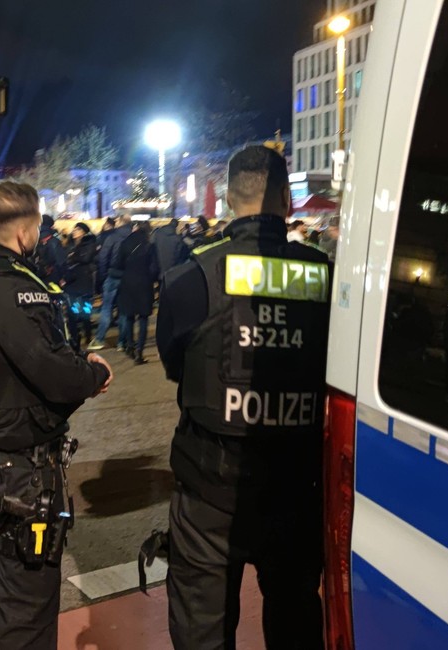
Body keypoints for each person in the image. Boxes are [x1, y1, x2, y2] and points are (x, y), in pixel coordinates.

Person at [155, 146, 331, 650]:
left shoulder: (190, 276)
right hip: (296, 486)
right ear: (287, 198)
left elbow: (176, 368)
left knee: (201, 629)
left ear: (230, 199)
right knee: (296, 622)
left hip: (208, 486)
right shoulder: (324, 274)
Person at [0, 181, 112, 649]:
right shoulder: (12, 288)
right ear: (25, 231)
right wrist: (92, 372)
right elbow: (55, 373)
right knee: (28, 600)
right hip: (21, 469)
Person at [114, 221, 159, 364]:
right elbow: (154, 267)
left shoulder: (125, 243)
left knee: (129, 316)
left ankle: (129, 346)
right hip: (144, 283)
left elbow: (118, 264)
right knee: (143, 318)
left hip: (128, 282)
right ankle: (139, 351)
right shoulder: (149, 245)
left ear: (135, 228)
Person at [88, 214, 131, 350]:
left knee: (107, 309)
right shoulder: (132, 237)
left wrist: (102, 277)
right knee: (123, 310)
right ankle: (121, 342)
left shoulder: (112, 236)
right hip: (126, 277)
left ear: (120, 222)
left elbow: (103, 257)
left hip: (112, 275)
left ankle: (100, 339)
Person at [63, 222, 97, 347]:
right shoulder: (69, 245)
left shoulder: (89, 243)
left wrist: (73, 257)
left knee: (85, 311)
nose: (74, 231)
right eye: (74, 229)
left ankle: (87, 335)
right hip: (71, 283)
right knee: (73, 311)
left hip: (84, 282)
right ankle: (75, 337)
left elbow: (86, 258)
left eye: (78, 229)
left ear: (83, 232)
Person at [33, 215, 67, 287]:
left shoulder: (34, 238)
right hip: (52, 277)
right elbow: (61, 262)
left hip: (38, 275)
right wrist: (62, 277)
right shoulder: (54, 241)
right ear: (50, 225)